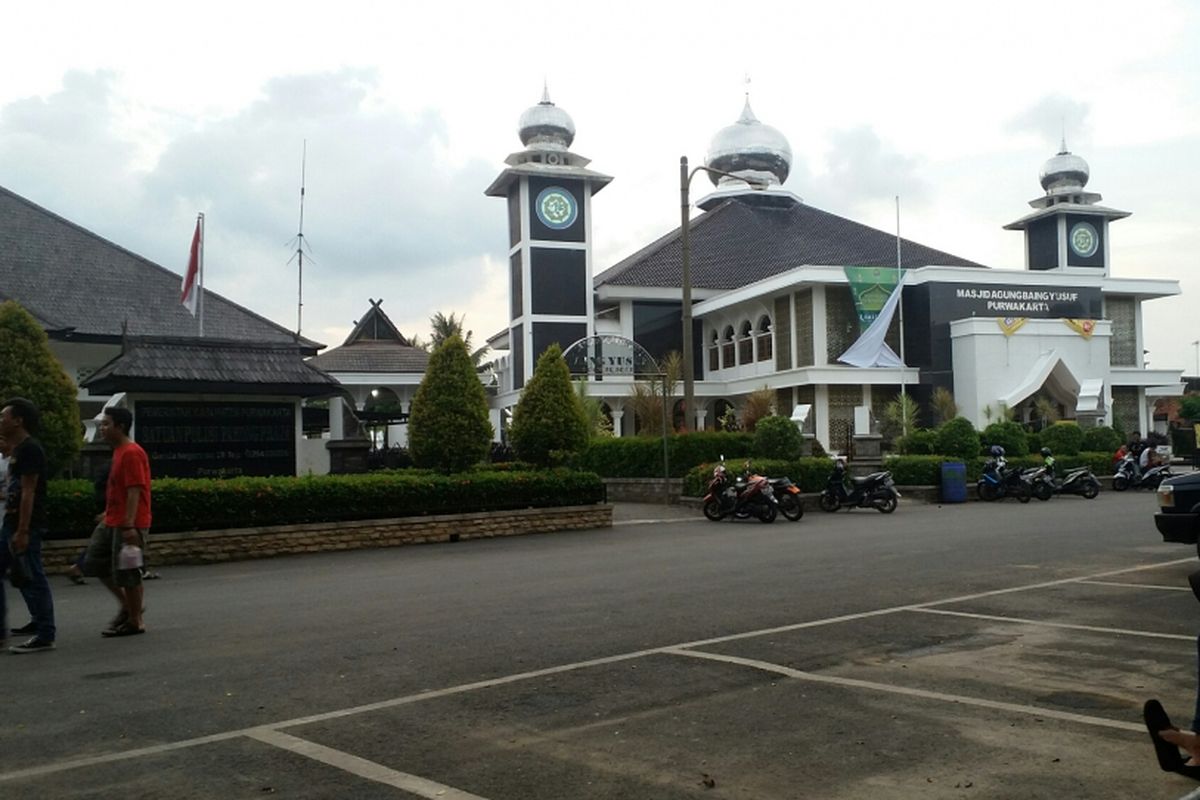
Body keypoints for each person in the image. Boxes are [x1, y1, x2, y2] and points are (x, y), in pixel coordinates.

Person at [88, 407, 151, 637]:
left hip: (128, 522)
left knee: (128, 571)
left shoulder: (132, 452)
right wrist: (107, 513)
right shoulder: (118, 451)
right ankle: (128, 606)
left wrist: (129, 525)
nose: (102, 429)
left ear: (120, 426)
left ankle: (135, 620)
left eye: (106, 424)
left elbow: (135, 490)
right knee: (94, 561)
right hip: (112, 520)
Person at [0, 398, 56, 653]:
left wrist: (22, 530)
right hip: (11, 522)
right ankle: (36, 622)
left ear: (18, 420)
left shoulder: (31, 449)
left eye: (4, 416)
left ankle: (45, 634)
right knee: (22, 575)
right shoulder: (18, 449)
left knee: (33, 575)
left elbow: (29, 491)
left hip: (24, 525)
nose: (1, 421)